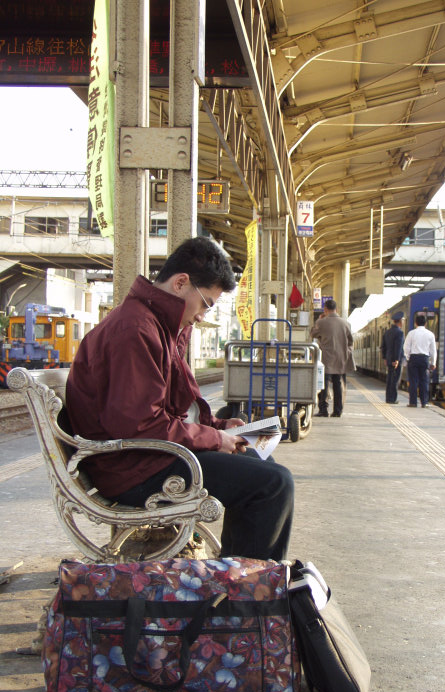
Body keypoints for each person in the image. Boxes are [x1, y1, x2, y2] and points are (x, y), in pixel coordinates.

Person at [66, 237, 294, 561]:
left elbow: (166, 410)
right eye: (206, 304)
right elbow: (141, 426)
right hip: (132, 468)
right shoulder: (135, 330)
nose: (203, 315)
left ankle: (238, 581)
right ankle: (246, 593)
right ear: (181, 283)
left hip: (143, 456)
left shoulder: (153, 324)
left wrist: (219, 426)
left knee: (263, 462)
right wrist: (215, 439)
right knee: (273, 484)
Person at [310, 298, 353, 417]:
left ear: (325, 309)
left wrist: (318, 320)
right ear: (336, 309)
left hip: (325, 358)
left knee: (322, 384)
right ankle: (338, 411)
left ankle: (323, 410)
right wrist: (346, 352)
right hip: (340, 359)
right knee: (337, 385)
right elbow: (350, 342)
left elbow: (313, 334)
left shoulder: (321, 322)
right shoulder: (346, 323)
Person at [403, 313, 437, 408]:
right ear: (425, 323)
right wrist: (433, 362)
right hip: (424, 359)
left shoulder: (411, 333)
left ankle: (413, 402)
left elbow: (406, 347)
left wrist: (408, 357)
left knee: (413, 381)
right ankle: (424, 402)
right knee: (424, 381)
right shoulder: (430, 334)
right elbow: (433, 350)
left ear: (415, 323)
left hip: (413, 358)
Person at [380, 311, 404, 404]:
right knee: (395, 380)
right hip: (395, 360)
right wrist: (397, 360)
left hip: (389, 359)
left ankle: (388, 398)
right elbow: (398, 348)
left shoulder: (387, 332)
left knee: (389, 379)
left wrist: (385, 358)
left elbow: (383, 346)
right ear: (400, 321)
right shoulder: (399, 333)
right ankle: (392, 399)